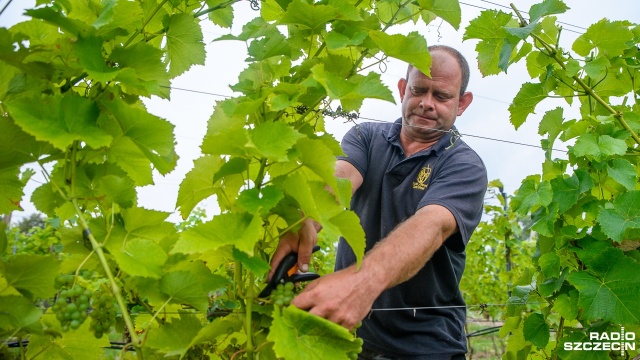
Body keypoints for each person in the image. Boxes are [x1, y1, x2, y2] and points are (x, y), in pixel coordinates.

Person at [269, 45, 488, 360]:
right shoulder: (366, 137)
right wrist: (305, 217)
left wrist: (362, 283)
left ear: (462, 103)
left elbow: (432, 225)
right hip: (350, 335)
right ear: (402, 89)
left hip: (427, 345)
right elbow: (340, 178)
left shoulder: (464, 165)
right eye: (418, 90)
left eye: (441, 96)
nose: (427, 103)